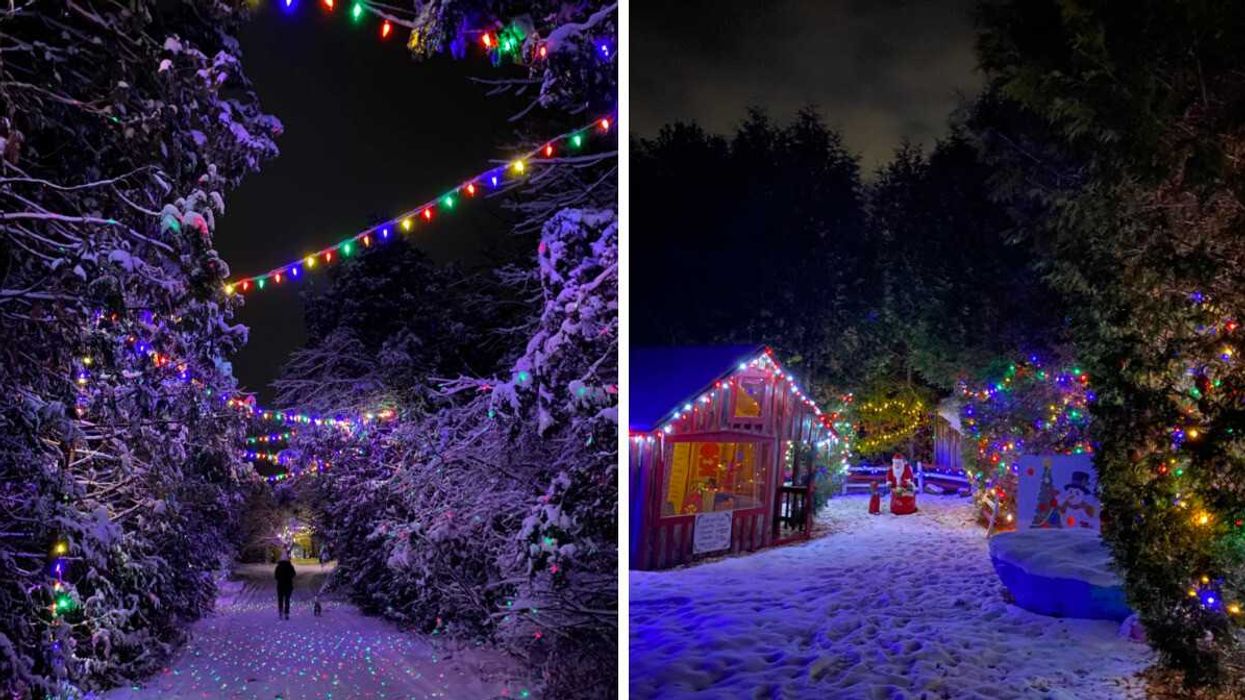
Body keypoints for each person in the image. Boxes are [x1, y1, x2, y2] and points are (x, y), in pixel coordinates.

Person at [275, 555, 296, 620]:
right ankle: (286, 613)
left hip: (280, 585)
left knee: (280, 599)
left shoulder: (278, 567)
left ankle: (280, 611)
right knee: (287, 600)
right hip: (288, 585)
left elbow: (276, 576)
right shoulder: (290, 566)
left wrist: (280, 579)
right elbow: (293, 574)